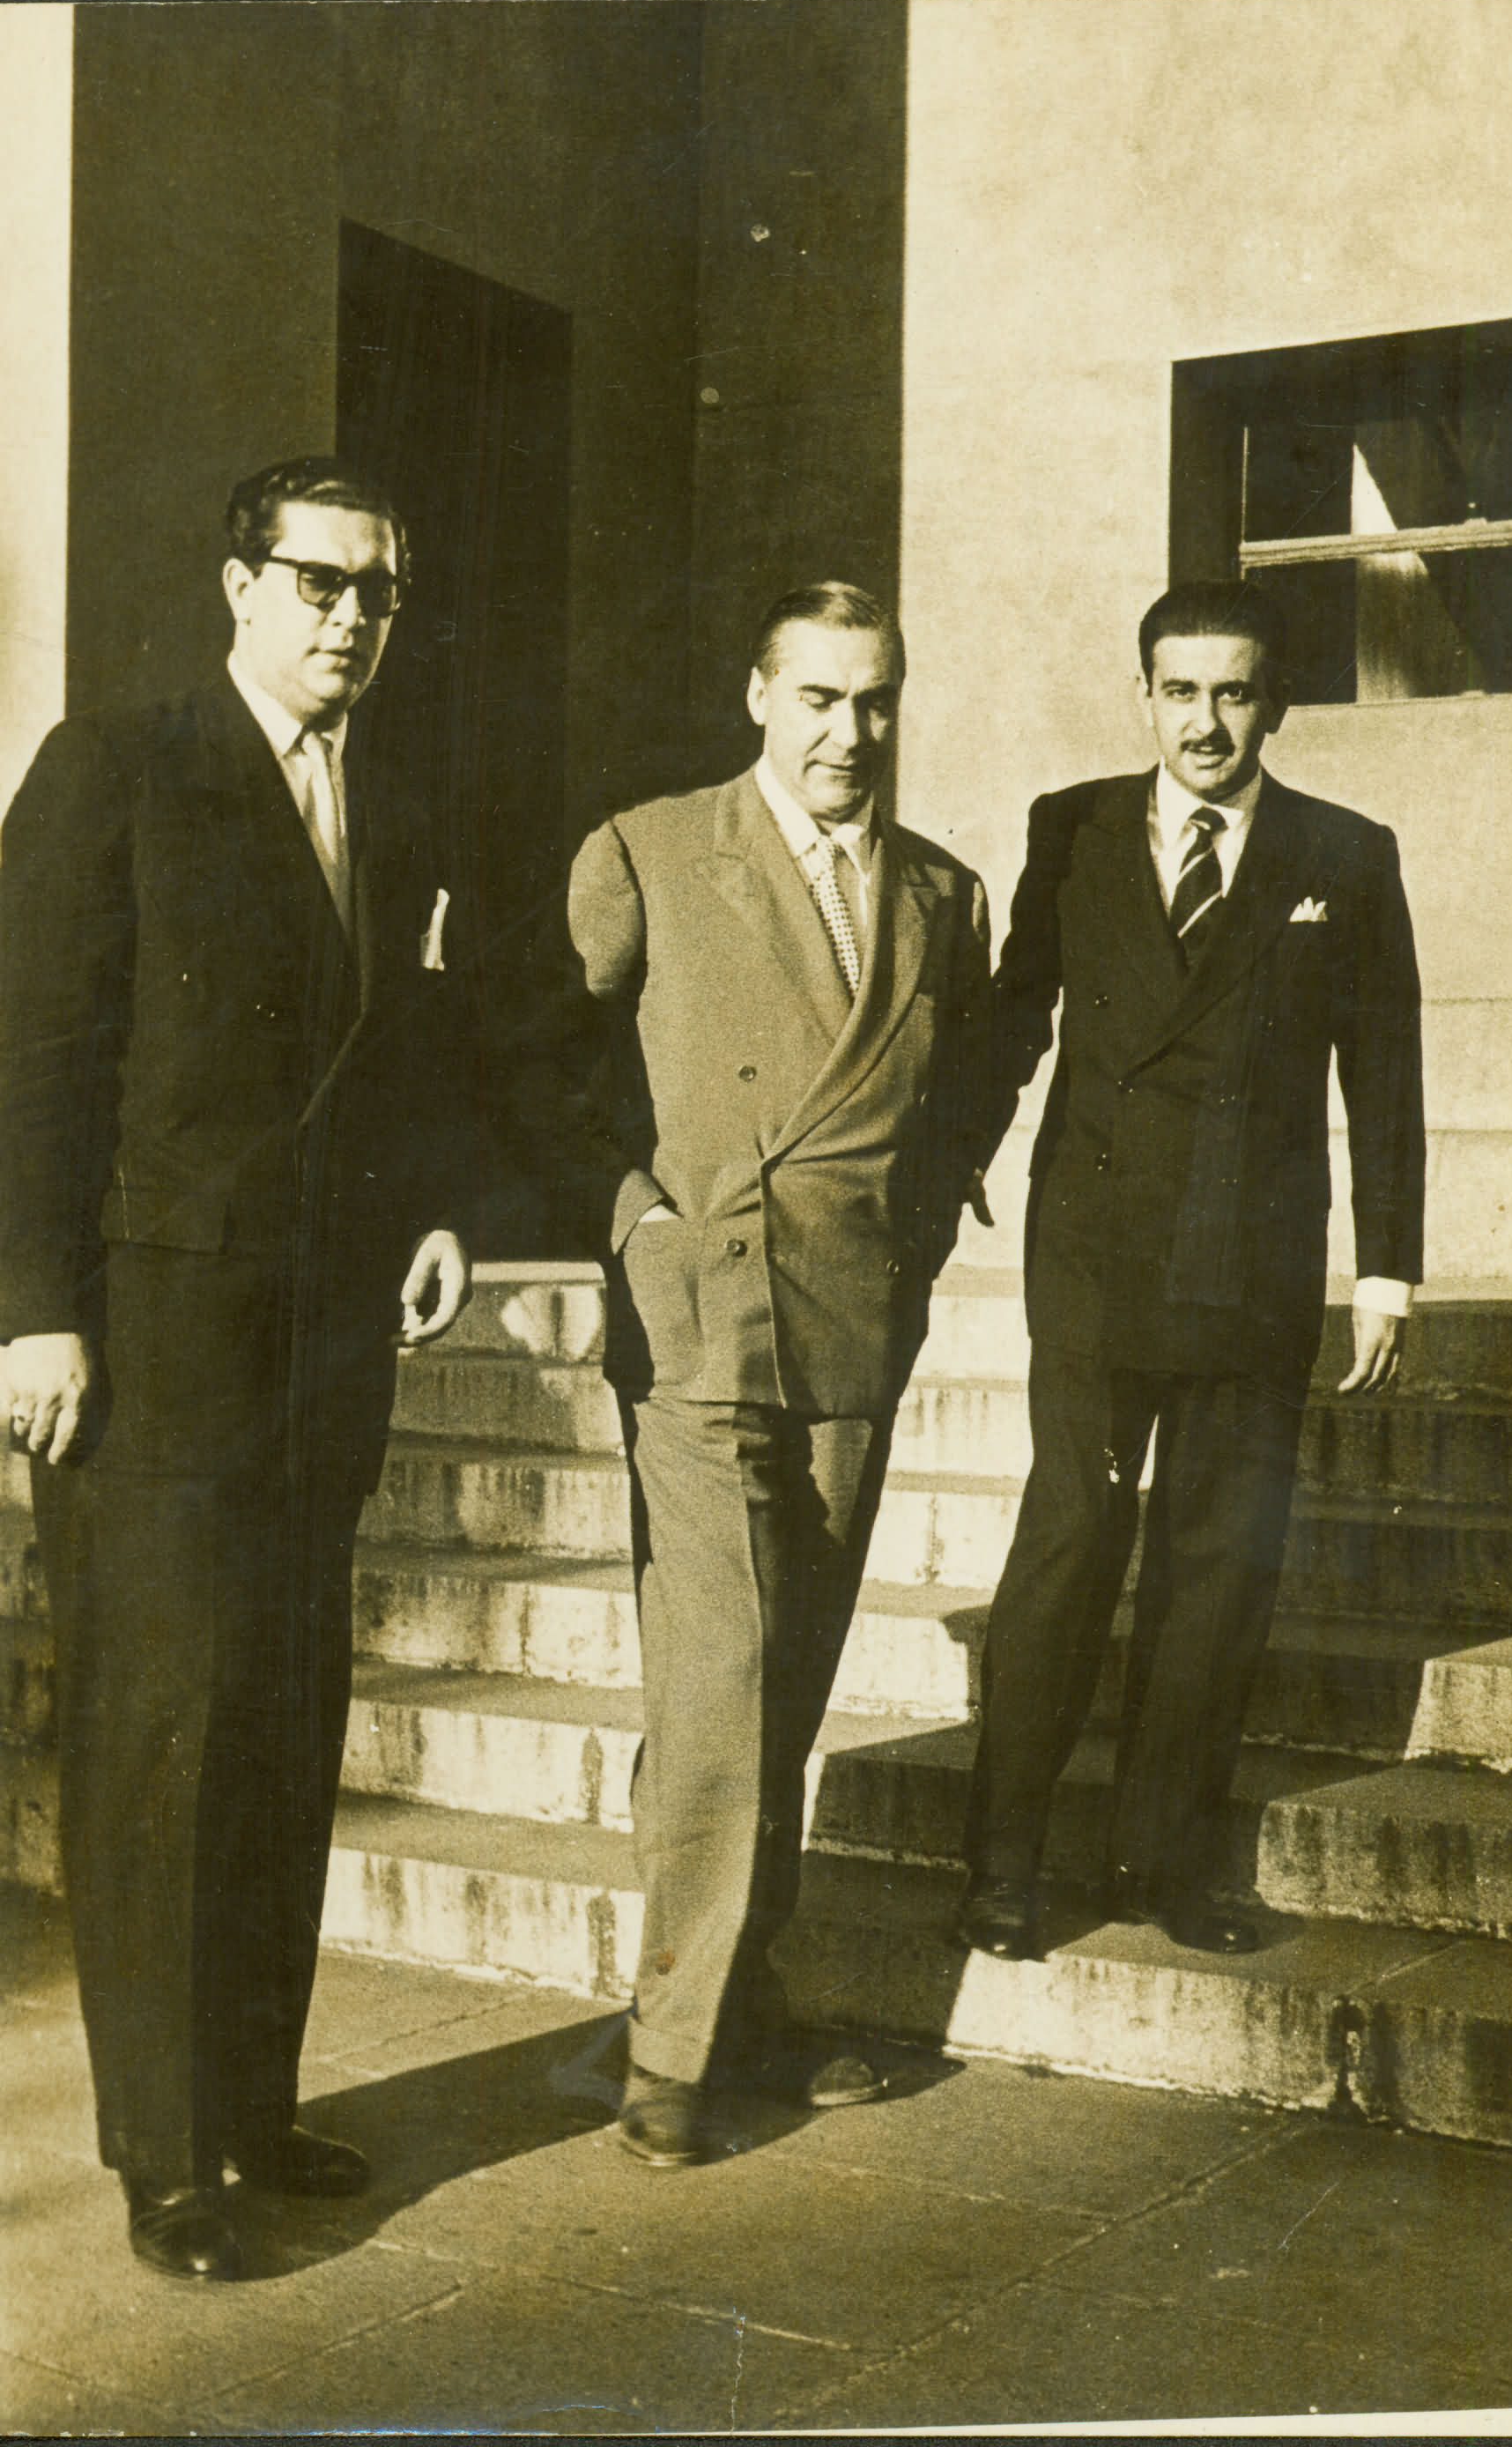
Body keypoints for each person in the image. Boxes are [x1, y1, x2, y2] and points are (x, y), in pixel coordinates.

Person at [0, 456, 472, 2279]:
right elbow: (31, 1055)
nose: (351, 618)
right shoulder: (117, 767)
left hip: (318, 1353)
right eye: (320, 581)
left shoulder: (386, 795)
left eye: (379, 590)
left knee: (283, 1726)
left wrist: (429, 1206)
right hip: (153, 1354)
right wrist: (32, 1307)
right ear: (240, 586)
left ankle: (255, 2105)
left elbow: (402, 1046)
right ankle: (165, 2153)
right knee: (162, 1742)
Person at [533, 582, 990, 2166]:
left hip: (854, 1319)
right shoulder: (649, 851)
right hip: (700, 1320)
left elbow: (966, 1081)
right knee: (719, 1676)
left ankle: (735, 1996)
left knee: (779, 1680)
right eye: (815, 698)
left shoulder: (942, 891)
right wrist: (629, 1212)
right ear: (756, 696)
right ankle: (670, 2054)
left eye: (874, 701)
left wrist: (922, 1223)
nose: (847, 734)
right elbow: (539, 1058)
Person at [956, 579, 1423, 1961]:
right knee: (1067, 1544)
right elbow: (1013, 1013)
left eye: (1231, 692)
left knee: (1217, 1566)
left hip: (1250, 1254)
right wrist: (947, 1160)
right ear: (1143, 696)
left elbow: (1382, 1070)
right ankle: (1001, 1864)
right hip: (1094, 1254)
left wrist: (1386, 1268)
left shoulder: (1343, 853)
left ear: (1270, 703)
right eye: (1179, 692)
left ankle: (1163, 1865)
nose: (1204, 722)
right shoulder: (1074, 827)